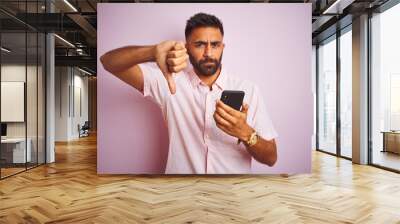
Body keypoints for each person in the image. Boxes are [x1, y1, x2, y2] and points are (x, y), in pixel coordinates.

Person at [100, 12, 278, 174]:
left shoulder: (249, 90)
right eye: (200, 44)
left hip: (231, 196)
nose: (208, 53)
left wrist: (246, 133)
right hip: (180, 194)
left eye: (215, 44)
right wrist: (152, 52)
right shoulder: (168, 81)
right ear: (187, 47)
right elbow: (108, 62)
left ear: (223, 47)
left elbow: (271, 158)